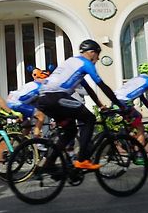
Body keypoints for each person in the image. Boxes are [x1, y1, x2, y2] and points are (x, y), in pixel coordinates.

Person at [37, 39, 127, 170]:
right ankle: (83, 159)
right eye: (97, 54)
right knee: (89, 118)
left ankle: (49, 163)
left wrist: (100, 105)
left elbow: (89, 89)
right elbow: (102, 86)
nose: (97, 59)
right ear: (91, 53)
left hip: (44, 99)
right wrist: (120, 105)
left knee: (71, 130)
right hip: (56, 96)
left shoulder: (72, 62)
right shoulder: (86, 64)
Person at [7, 68, 50, 137]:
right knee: (41, 116)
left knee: (28, 125)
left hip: (11, 101)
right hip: (17, 103)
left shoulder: (30, 84)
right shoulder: (41, 87)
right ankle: (37, 142)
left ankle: (21, 142)